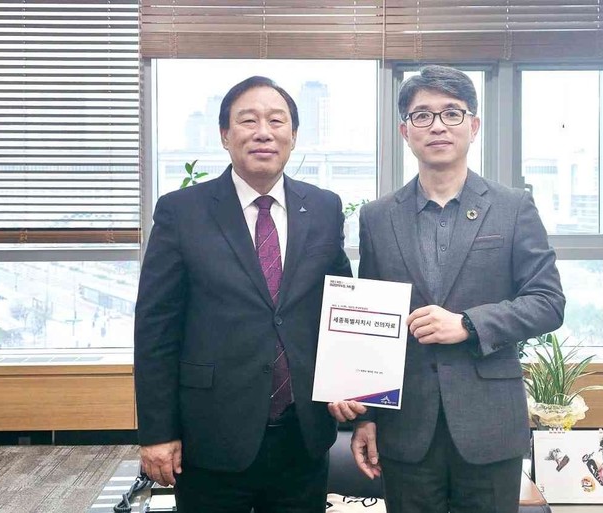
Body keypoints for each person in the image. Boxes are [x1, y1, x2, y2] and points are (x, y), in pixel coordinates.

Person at [329, 65, 565, 513]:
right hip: (406, 427)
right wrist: (367, 416)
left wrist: (468, 324)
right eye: (422, 115)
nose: (437, 125)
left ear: (473, 126)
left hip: (490, 425)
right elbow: (371, 323)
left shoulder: (513, 207)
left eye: (451, 113)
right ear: (406, 131)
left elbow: (548, 302)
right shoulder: (377, 217)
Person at [134, 75, 352, 512]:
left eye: (276, 121)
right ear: (224, 135)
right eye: (248, 121)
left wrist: (354, 384)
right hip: (211, 433)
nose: (263, 132)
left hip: (302, 435)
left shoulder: (324, 207)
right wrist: (157, 432)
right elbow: (156, 329)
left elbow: (341, 307)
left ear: (293, 136)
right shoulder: (182, 211)